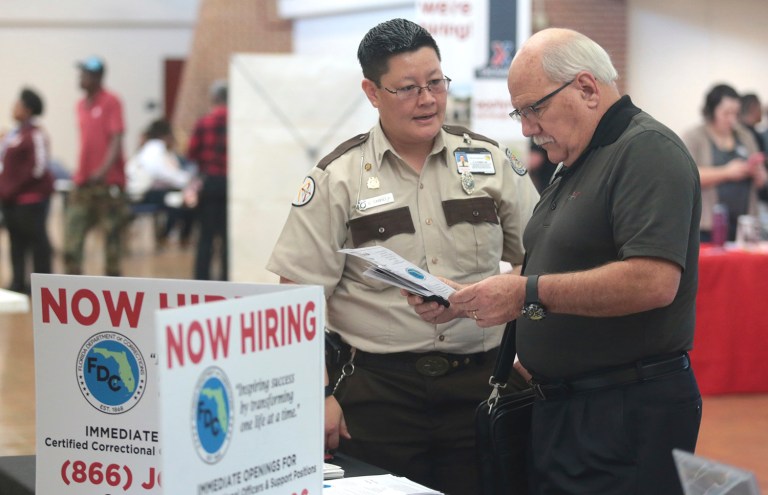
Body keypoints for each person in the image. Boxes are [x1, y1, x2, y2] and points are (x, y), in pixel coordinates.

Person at [407, 28, 703, 495]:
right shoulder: (579, 159)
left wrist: (526, 293)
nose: (526, 127)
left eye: (534, 108)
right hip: (570, 411)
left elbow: (652, 280)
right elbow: (555, 265)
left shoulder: (647, 152)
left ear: (586, 88)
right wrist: (468, 300)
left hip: (623, 414)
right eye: (519, 112)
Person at [267, 18, 538, 494]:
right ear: (373, 92)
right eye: (408, 88)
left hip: (481, 387)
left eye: (436, 82)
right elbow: (298, 300)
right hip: (375, 396)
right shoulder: (338, 178)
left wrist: (528, 340)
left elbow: (541, 264)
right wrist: (319, 396)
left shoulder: (490, 162)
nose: (428, 99)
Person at [64, 56, 128, 276]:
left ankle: (114, 292)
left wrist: (103, 171)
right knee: (72, 239)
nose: (80, 78)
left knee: (111, 243)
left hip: (107, 184)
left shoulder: (111, 101)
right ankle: (72, 290)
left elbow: (116, 137)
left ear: (97, 76)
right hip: (83, 182)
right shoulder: (80, 105)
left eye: (85, 74)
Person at [683, 84, 765, 242]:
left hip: (745, 226)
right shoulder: (694, 137)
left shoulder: (745, 135)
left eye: (735, 113)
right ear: (711, 111)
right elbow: (688, 176)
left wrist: (758, 173)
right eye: (726, 113)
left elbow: (761, 180)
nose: (732, 119)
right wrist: (727, 172)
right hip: (707, 226)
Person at [0, 88, 54, 294]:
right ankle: (18, 283)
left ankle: (42, 287)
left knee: (37, 243)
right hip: (11, 201)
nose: (13, 107)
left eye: (18, 104)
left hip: (30, 200)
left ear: (28, 109)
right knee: (16, 243)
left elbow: (38, 168)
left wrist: (13, 187)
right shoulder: (14, 134)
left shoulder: (35, 134)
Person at [126, 119, 194, 246]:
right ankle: (168, 235)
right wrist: (187, 179)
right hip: (145, 194)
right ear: (167, 137)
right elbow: (164, 173)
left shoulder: (152, 149)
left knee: (183, 198)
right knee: (182, 201)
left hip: (148, 191)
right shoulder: (154, 149)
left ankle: (173, 235)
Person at [187, 80, 228, 280]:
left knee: (205, 238)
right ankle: (227, 280)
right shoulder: (237, 123)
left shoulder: (204, 123)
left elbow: (191, 153)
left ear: (214, 98)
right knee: (227, 239)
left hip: (210, 183)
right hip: (231, 186)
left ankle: (201, 280)